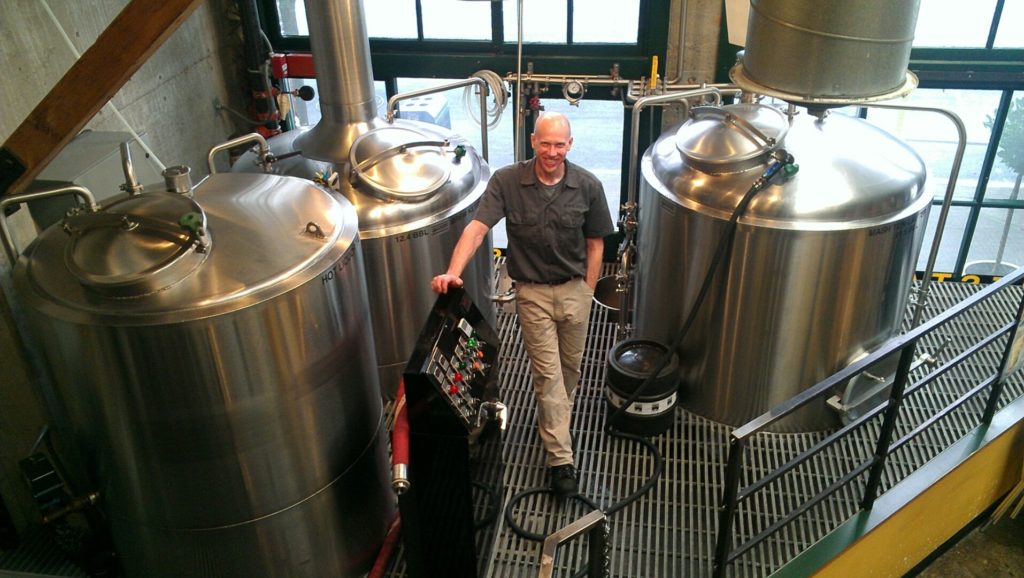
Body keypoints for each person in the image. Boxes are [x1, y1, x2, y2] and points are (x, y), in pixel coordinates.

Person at [431, 111, 613, 497]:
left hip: (574, 291)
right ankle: (561, 460)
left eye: (559, 144)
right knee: (548, 376)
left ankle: (553, 420)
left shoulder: (588, 185)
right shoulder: (507, 182)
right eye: (545, 143)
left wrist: (588, 289)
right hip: (531, 294)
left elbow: (596, 243)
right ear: (533, 141)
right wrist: (452, 271)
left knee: (570, 371)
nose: (552, 152)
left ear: (570, 144)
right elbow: (477, 229)